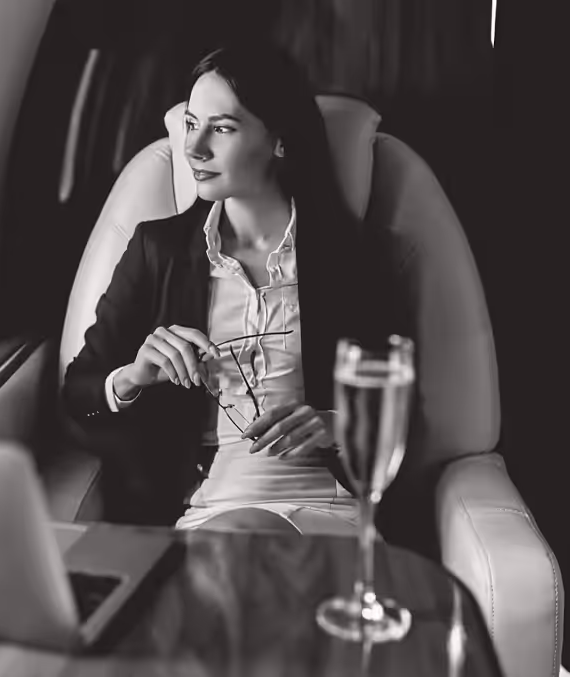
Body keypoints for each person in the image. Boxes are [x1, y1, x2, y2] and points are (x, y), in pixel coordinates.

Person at [62, 42, 406, 535]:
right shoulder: (156, 249)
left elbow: (402, 408)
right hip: (203, 509)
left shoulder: (352, 255)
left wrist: (337, 426)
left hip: (335, 507)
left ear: (280, 141)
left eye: (221, 128)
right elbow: (78, 395)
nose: (194, 148)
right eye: (190, 124)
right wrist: (133, 377)